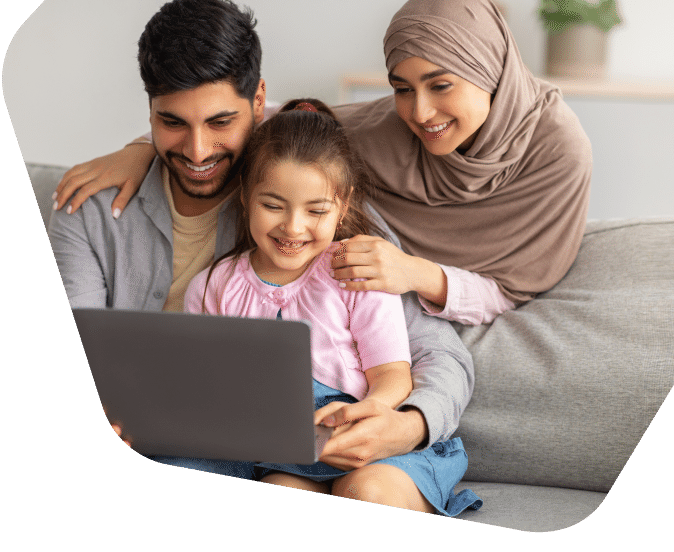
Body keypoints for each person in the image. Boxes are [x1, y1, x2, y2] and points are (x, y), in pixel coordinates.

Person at [47, 0, 473, 480]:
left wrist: (410, 426)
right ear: (149, 113)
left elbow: (439, 352)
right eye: (172, 123)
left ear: (258, 101)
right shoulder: (91, 211)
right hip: (174, 443)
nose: (198, 150)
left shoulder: (310, 197)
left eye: (220, 122)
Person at [53, 0, 593, 327]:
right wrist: (142, 149)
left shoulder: (554, 152)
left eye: (441, 85)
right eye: (401, 88)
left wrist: (418, 275)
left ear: (491, 68)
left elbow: (495, 302)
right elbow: (270, 130)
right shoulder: (358, 140)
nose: (420, 112)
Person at [183, 98, 481, 515]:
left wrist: (373, 412)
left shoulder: (355, 272)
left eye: (316, 210)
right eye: (273, 206)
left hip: (375, 441)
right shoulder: (214, 286)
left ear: (342, 207)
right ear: (246, 197)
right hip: (288, 453)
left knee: (367, 493)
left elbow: (393, 375)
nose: (293, 227)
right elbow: (205, 388)